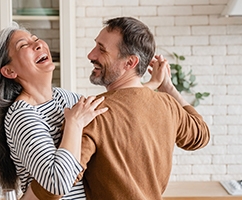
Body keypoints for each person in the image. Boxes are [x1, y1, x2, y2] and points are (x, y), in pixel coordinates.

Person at [36, 16, 211, 199]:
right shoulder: (167, 105)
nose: (91, 55)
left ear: (130, 63)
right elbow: (201, 135)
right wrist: (167, 87)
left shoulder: (92, 113)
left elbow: (53, 189)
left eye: (101, 50)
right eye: (96, 45)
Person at [0, 22, 109, 200]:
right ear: (9, 71)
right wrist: (74, 124)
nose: (38, 44)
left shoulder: (65, 98)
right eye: (24, 45)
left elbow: (105, 119)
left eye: (36, 39)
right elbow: (57, 184)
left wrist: (141, 90)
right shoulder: (22, 115)